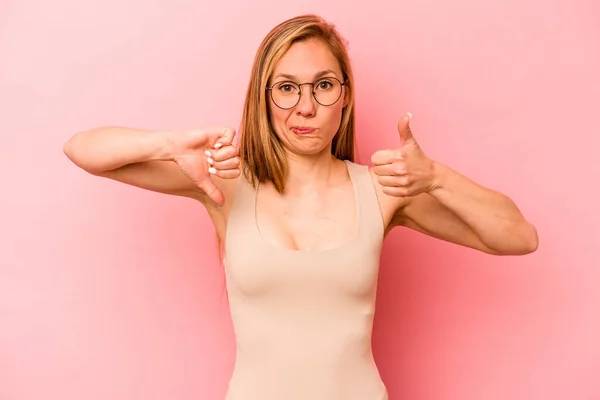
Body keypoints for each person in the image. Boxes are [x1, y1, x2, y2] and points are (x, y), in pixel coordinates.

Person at [63, 14, 538, 400]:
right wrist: (170, 144)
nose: (305, 107)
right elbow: (82, 150)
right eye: (287, 87)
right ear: (264, 98)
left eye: (323, 86)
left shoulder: (382, 190)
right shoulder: (225, 184)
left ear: (344, 97)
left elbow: (518, 236)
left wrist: (436, 176)